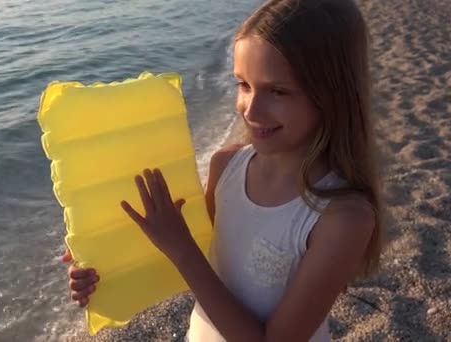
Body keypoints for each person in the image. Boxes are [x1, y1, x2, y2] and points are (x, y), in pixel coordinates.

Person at [62, 0, 385, 340]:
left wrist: (182, 249)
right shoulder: (226, 166)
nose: (251, 109)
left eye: (277, 91)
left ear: (332, 95)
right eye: (243, 85)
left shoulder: (343, 217)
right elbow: (198, 261)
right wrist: (103, 263)